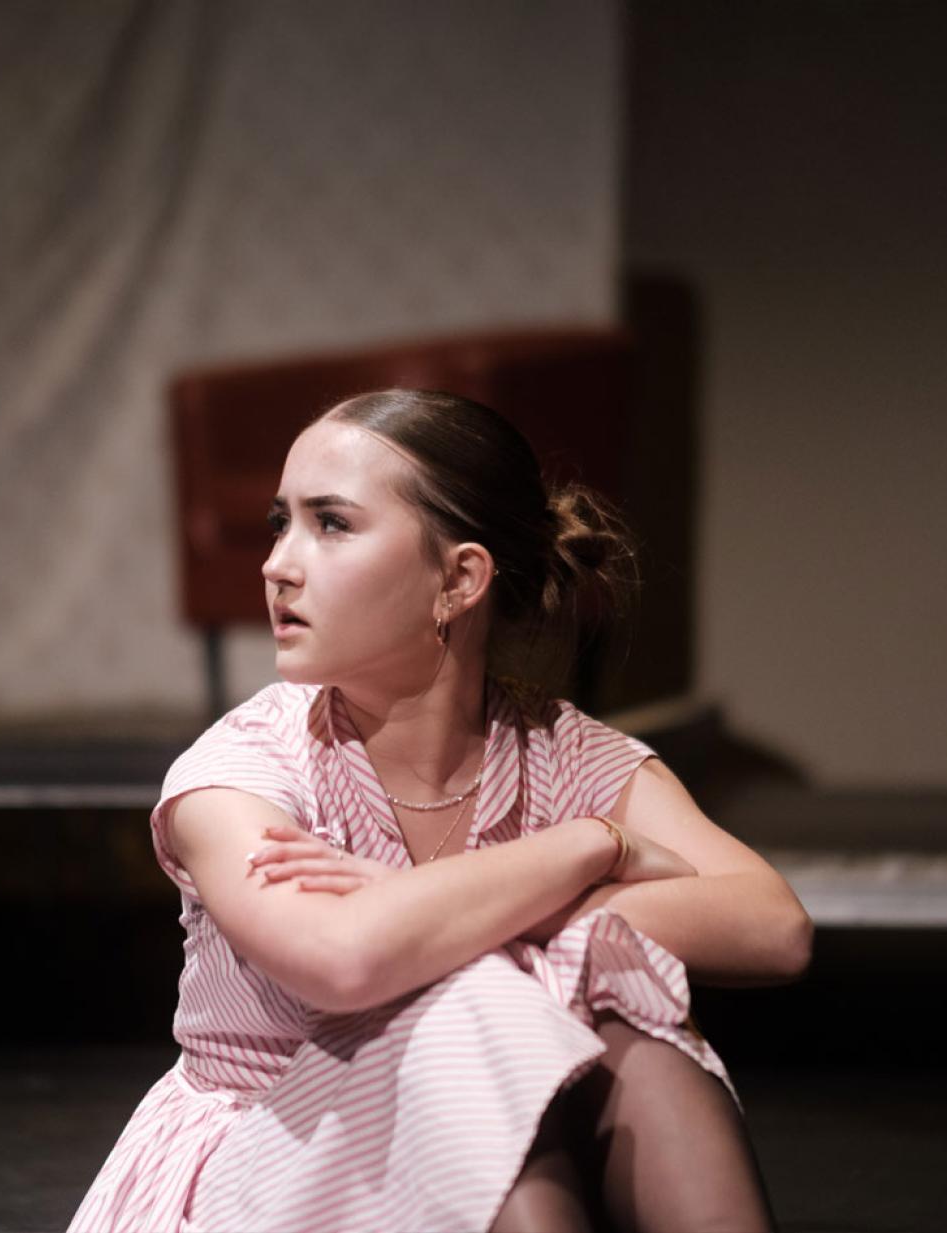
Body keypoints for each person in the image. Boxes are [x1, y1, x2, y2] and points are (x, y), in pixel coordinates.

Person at [71, 389, 813, 1231]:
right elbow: (345, 960)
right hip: (265, 1162)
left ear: (459, 579)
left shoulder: (559, 750)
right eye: (283, 523)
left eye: (332, 524)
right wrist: (587, 848)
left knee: (625, 1025)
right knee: (477, 1009)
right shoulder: (245, 767)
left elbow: (774, 926)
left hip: (473, 1132)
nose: (278, 563)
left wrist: (446, 914)